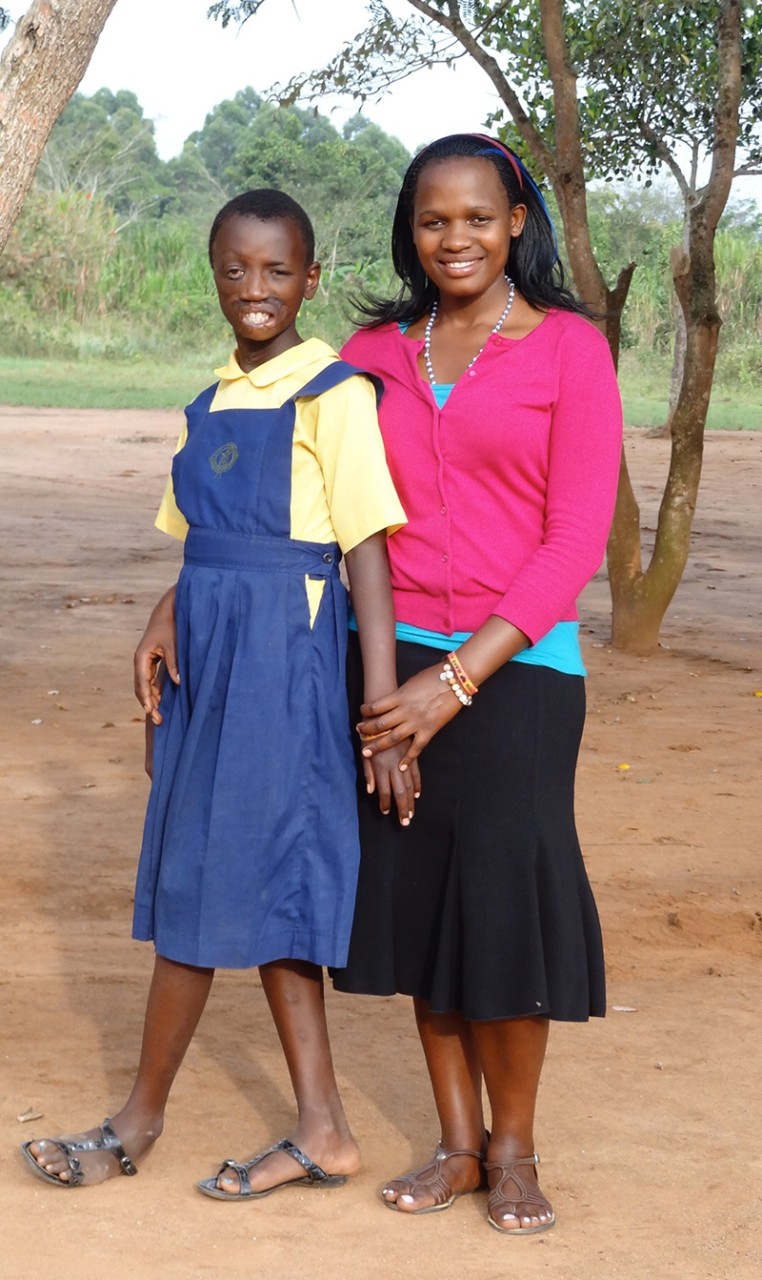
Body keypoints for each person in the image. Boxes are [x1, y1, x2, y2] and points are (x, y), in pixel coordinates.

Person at [21, 188, 410, 1197]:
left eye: (277, 270)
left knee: (232, 879)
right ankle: (320, 1125)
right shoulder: (206, 400)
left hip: (286, 661)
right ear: (214, 274)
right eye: (235, 269)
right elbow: (202, 539)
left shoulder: (336, 391)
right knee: (230, 874)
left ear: (310, 279)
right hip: (209, 656)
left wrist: (380, 718)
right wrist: (165, 615)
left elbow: (365, 550)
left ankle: (140, 1118)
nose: (255, 289)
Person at [330, 133, 623, 1234]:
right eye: (432, 220)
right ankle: (455, 1143)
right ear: (412, 232)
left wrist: (453, 682)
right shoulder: (371, 351)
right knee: (424, 904)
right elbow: (309, 495)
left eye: (477, 218)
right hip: (387, 665)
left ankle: (515, 1148)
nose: (455, 238)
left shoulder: (567, 351)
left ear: (517, 224)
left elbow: (573, 540)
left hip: (520, 668)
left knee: (502, 904)